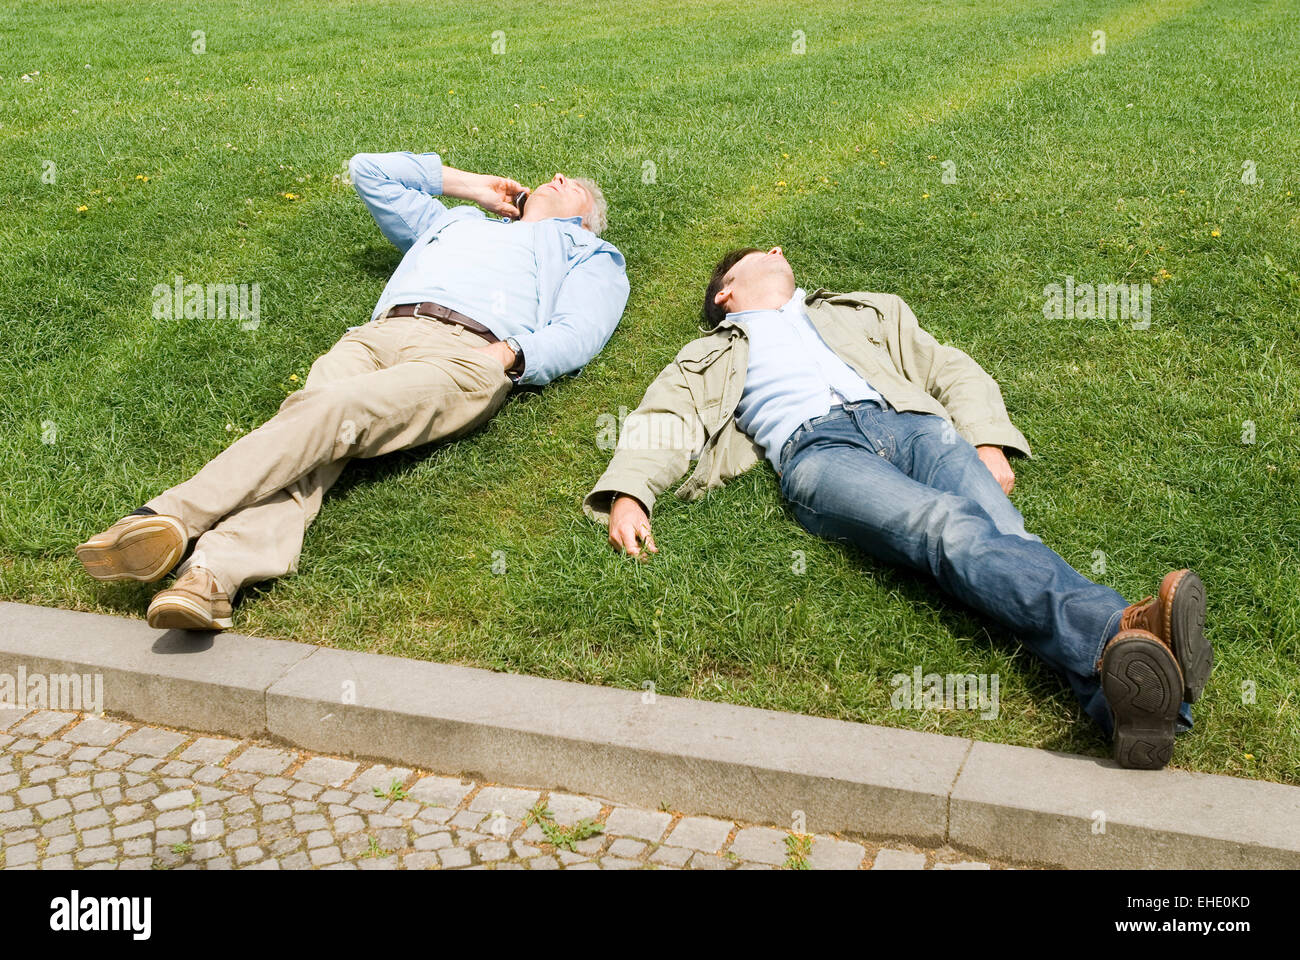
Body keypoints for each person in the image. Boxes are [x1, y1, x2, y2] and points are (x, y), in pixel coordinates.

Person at [584, 246, 1210, 770]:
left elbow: (946, 366)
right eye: (761, 253)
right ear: (726, 292)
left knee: (1003, 534)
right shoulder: (708, 353)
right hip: (820, 450)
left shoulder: (864, 310)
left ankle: (1126, 707)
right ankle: (1119, 630)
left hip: (913, 425)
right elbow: (664, 420)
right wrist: (630, 492)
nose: (779, 252)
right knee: (947, 527)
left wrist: (985, 434)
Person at [77, 150, 628, 633]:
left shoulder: (588, 253)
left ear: (585, 216)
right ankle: (207, 581)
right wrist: (465, 184)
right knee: (312, 436)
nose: (556, 175)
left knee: (330, 410)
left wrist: (509, 355)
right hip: (376, 337)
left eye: (572, 183)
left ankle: (168, 515)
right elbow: (370, 172)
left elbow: (579, 331)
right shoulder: (455, 221)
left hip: (466, 353)